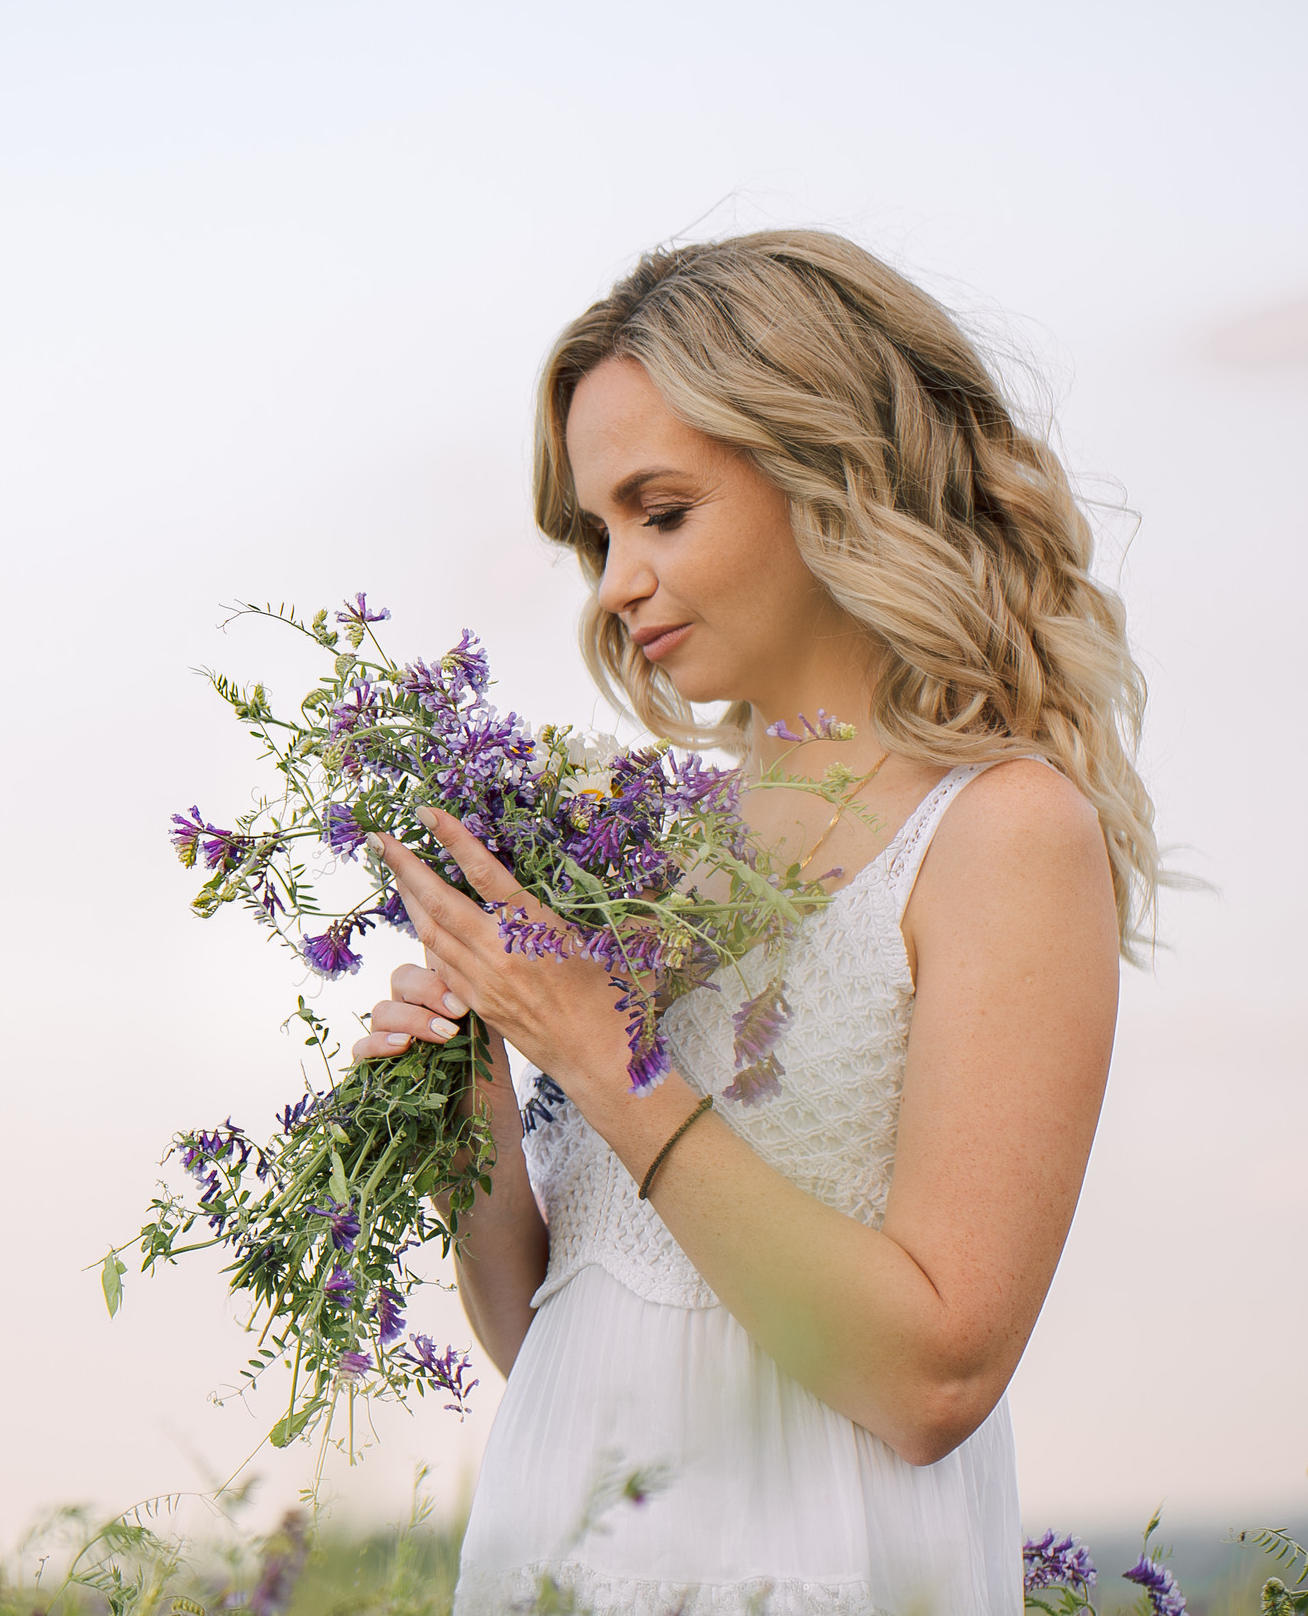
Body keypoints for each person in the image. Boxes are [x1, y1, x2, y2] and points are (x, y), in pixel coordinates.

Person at [354, 232, 1161, 1615]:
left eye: (662, 512)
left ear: (826, 474)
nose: (616, 581)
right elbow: (566, 1328)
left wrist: (607, 1061)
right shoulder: (665, 852)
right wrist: (469, 1097)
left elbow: (934, 1376)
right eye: (602, 533)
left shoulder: (1005, 831)